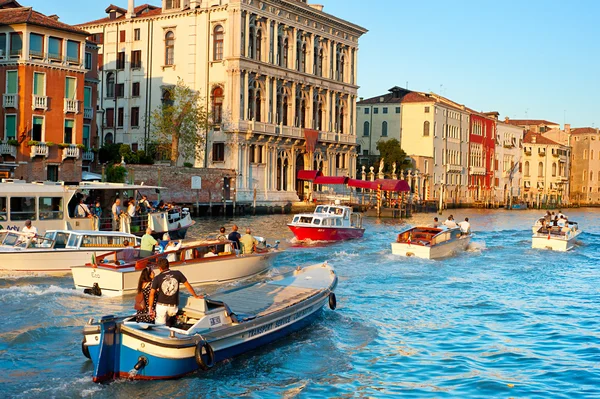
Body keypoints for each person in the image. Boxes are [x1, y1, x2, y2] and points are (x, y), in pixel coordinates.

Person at [148, 258, 201, 325]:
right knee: (171, 325)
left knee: (160, 327)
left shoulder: (157, 278)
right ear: (168, 265)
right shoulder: (177, 273)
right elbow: (188, 286)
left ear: (159, 267)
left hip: (161, 306)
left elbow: (151, 294)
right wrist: (195, 296)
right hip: (173, 307)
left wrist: (150, 308)